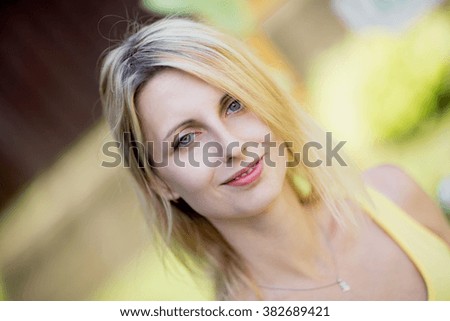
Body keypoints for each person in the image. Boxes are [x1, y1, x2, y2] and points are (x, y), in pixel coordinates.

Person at [98, 16, 450, 300]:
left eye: (234, 104)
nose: (232, 145)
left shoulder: (393, 195)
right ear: (158, 182)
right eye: (187, 139)